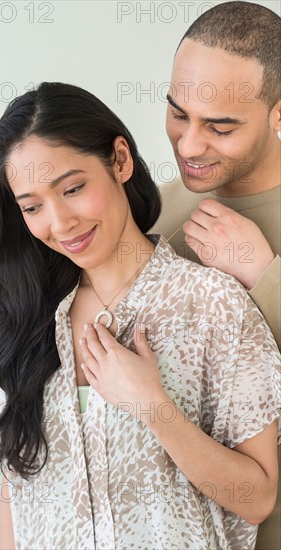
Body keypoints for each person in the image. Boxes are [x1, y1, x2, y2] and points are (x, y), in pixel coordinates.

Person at [0, 82, 280, 550]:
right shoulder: (25, 322)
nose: (59, 222)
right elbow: (18, 488)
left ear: (121, 161)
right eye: (32, 206)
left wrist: (153, 406)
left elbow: (256, 498)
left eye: (72, 188)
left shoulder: (212, 302)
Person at [149, 3, 281, 548]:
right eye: (179, 113)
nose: (188, 145)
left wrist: (264, 277)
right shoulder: (148, 215)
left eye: (220, 127)